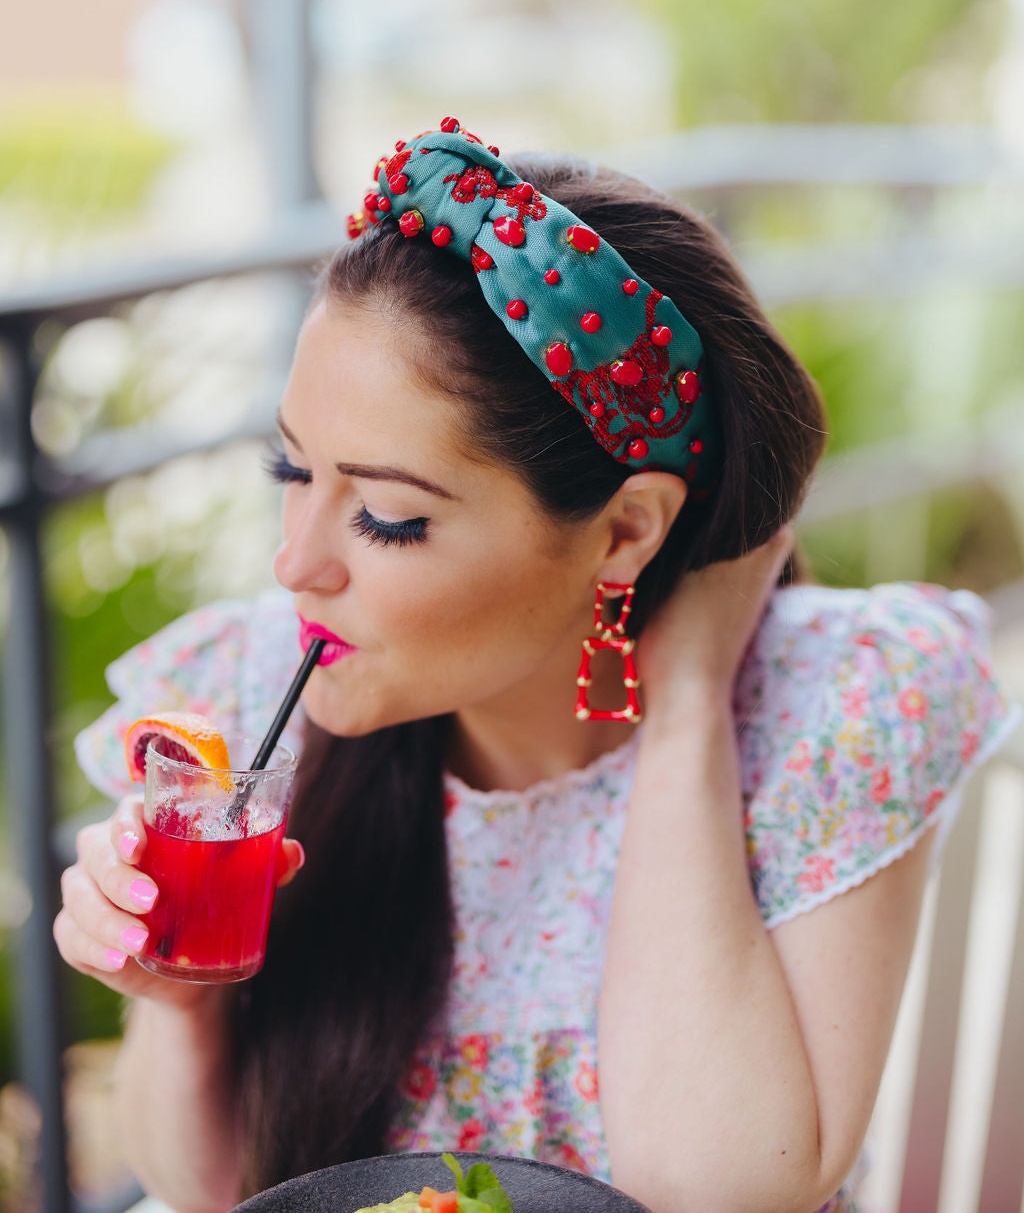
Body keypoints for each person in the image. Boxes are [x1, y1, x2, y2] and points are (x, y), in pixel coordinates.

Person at [56, 120, 1018, 1213]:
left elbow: (714, 1190)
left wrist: (690, 700)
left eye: (386, 516)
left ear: (623, 533)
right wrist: (178, 999)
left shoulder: (831, 712)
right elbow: (222, 1191)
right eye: (292, 465)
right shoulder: (239, 703)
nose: (293, 561)